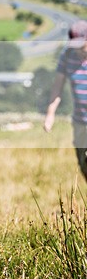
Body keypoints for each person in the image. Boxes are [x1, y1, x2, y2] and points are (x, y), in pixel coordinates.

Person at [44, 19, 87, 181]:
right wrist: (50, 114)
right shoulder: (67, 56)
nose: (78, 50)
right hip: (80, 120)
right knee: (83, 163)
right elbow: (58, 86)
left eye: (81, 46)